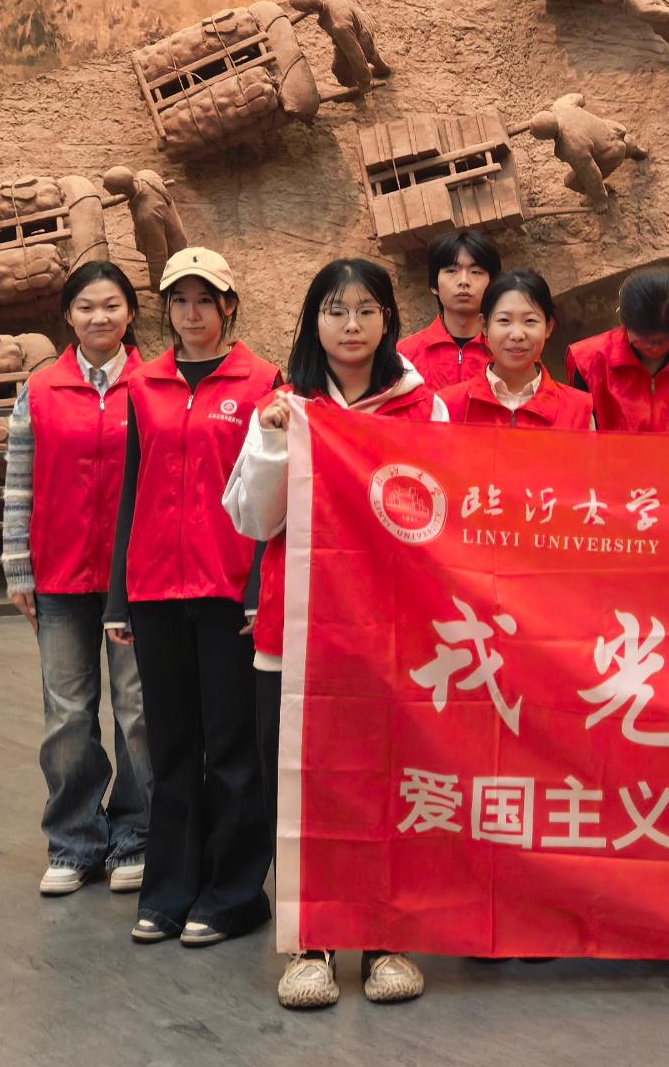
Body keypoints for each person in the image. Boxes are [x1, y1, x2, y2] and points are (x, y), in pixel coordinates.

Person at [224, 257, 444, 1010]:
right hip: (295, 632)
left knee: (386, 781)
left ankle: (385, 938)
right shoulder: (284, 408)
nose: (351, 326)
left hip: (389, 634)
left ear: (388, 320)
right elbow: (254, 521)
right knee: (297, 787)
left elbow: (442, 520)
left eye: (365, 310)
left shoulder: (423, 410)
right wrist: (273, 443)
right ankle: (309, 944)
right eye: (335, 310)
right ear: (313, 321)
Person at [103, 249, 279, 948]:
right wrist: (118, 596)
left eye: (206, 299)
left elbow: (273, 494)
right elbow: (132, 490)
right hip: (154, 588)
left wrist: (259, 588)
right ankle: (171, 890)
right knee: (171, 746)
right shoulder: (144, 385)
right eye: (180, 301)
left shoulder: (263, 382)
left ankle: (234, 894)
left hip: (229, 590)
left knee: (232, 747)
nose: (192, 313)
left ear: (228, 305)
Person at [3, 261, 150, 898]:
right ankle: (74, 840)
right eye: (86, 306)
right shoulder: (39, 390)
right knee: (67, 715)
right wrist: (18, 566)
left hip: (134, 578)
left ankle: (135, 835)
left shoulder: (153, 385)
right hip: (59, 575)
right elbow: (18, 484)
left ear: (131, 313)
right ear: (68, 315)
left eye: (112, 305)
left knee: (138, 712)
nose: (99, 317)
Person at [566, 267, 669, 435]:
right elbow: (581, 437)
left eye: (665, 340)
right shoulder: (588, 362)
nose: (654, 348)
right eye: (645, 340)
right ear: (625, 323)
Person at [439, 270, 595, 429]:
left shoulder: (579, 409)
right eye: (504, 320)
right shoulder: (448, 407)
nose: (517, 335)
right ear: (484, 326)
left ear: (548, 327)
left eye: (530, 321)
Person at [399, 228, 496, 392]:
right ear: (433, 285)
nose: (464, 281)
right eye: (451, 271)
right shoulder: (405, 355)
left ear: (492, 284)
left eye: (476, 272)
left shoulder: (507, 352)